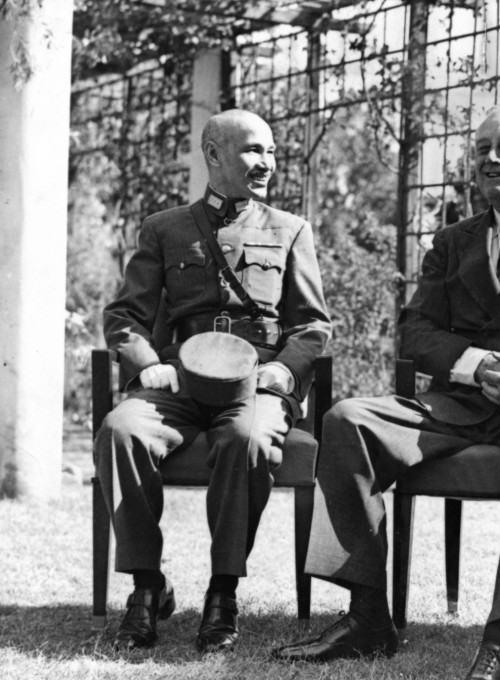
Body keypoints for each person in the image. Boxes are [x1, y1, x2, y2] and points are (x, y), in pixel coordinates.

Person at [271, 105, 500, 680]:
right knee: (349, 418)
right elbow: (416, 330)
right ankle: (368, 616)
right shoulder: (452, 242)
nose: (491, 159)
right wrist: (477, 366)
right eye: (480, 151)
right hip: (466, 404)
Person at [95, 109, 331, 653]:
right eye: (253, 150)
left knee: (245, 440)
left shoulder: (290, 230)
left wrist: (284, 368)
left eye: (271, 151)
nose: (266, 162)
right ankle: (148, 588)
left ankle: (223, 592)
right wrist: (144, 360)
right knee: (121, 429)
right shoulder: (165, 228)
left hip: (253, 381)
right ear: (214, 155)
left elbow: (314, 325)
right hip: (178, 380)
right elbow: (125, 315)